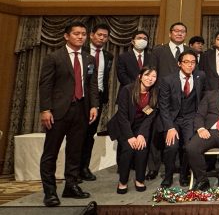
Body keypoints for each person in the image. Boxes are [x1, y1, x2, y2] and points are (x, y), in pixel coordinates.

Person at [39, 22, 99, 207]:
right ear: (66, 36)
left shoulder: (89, 58)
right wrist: (45, 109)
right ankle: (50, 192)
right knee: (51, 152)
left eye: (83, 34)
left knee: (75, 151)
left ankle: (71, 186)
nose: (80, 37)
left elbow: (92, 84)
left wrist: (94, 105)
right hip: (58, 111)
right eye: (76, 33)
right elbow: (45, 85)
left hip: (81, 110)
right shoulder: (54, 57)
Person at [158, 50, 206, 187]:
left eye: (193, 62)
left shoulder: (200, 76)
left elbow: (203, 98)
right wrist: (170, 127)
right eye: (186, 62)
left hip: (191, 118)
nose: (190, 65)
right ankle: (168, 176)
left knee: (188, 147)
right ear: (179, 64)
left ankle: (184, 175)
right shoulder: (168, 80)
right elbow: (163, 106)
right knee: (171, 146)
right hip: (173, 119)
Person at [147, 22, 189, 180]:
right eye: (176, 31)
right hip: (162, 100)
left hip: (183, 101)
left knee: (179, 137)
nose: (179, 33)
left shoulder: (189, 51)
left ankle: (176, 166)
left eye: (182, 31)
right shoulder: (159, 51)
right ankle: (153, 168)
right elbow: (151, 73)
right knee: (157, 134)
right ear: (170, 33)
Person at [107, 66, 158, 194]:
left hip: (140, 126)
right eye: (147, 75)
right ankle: (122, 181)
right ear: (140, 77)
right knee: (128, 149)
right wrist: (130, 136)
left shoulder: (154, 93)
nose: (150, 79)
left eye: (153, 76)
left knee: (142, 148)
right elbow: (122, 116)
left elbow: (150, 116)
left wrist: (141, 134)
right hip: (124, 125)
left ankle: (140, 180)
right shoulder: (127, 90)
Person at [80, 23, 114, 182]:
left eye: (105, 36)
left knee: (90, 134)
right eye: (99, 35)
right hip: (81, 97)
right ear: (91, 35)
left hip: (98, 97)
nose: (102, 38)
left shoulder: (108, 56)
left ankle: (84, 167)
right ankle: (74, 169)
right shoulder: (82, 52)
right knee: (78, 134)